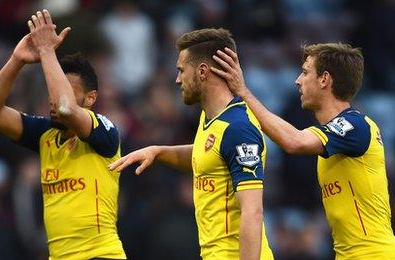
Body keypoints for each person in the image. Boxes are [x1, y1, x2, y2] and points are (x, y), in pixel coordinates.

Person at [211, 43, 395, 259]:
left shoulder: (356, 126)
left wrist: (243, 92)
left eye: (305, 72)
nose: (297, 80)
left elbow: (293, 141)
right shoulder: (334, 140)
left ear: (324, 79)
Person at [109, 28, 273, 260]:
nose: (177, 80)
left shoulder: (239, 128)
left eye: (181, 70)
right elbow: (208, 157)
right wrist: (158, 151)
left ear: (203, 71)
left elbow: (253, 212)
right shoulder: (211, 119)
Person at [0, 10, 126, 259]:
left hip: (100, 255)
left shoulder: (104, 130)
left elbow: (66, 108)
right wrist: (17, 60)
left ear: (90, 98)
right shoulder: (45, 135)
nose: (53, 97)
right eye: (53, 87)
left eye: (66, 89)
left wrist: (47, 51)